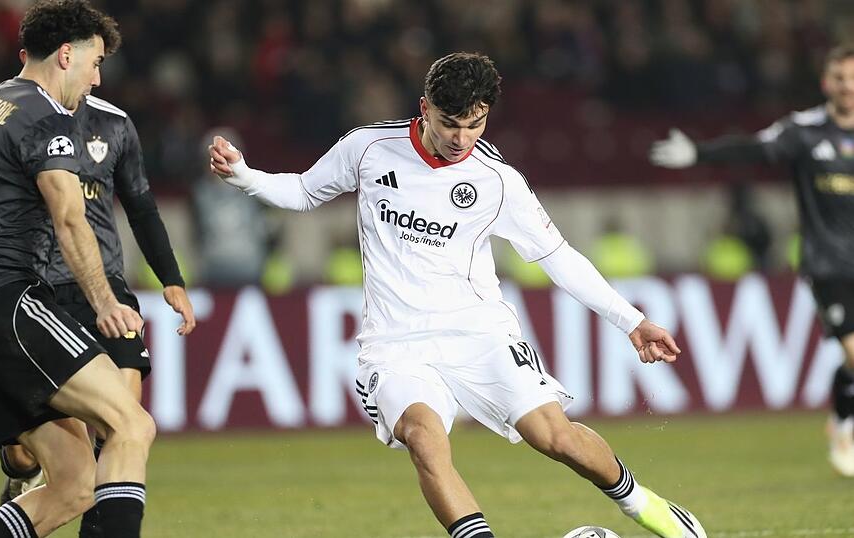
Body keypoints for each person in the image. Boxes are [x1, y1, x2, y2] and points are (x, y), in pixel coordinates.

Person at [210, 52, 706, 538]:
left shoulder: (497, 181)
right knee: (426, 440)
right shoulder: (369, 148)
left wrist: (632, 320)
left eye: (476, 125)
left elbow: (558, 256)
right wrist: (244, 176)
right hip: (396, 343)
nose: (461, 139)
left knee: (555, 438)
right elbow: (304, 191)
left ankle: (647, 508)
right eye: (451, 124)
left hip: (479, 333)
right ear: (424, 107)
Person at [0, 1, 156, 536]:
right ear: (67, 55)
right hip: (12, 305)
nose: (96, 78)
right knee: (130, 423)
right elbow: (69, 218)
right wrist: (106, 303)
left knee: (72, 485)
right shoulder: (45, 117)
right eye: (95, 62)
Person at [0, 52, 197, 538]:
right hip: (38, 290)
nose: (97, 76)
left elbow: (142, 207)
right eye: (93, 63)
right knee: (26, 456)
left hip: (105, 288)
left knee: (122, 424)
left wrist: (171, 278)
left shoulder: (114, 125)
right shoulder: (17, 119)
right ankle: (22, 474)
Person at [650, 43, 854, 478]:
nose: (848, 86)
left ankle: (842, 415)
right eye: (840, 77)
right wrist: (700, 154)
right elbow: (756, 147)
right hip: (830, 266)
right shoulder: (806, 130)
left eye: (853, 78)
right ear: (825, 82)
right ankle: (844, 423)